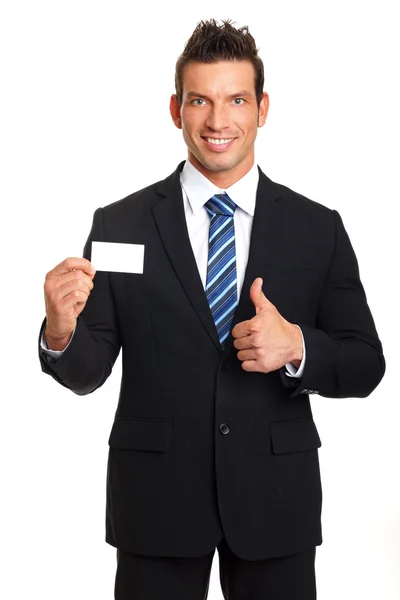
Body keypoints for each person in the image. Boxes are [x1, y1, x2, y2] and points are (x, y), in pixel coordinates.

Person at [39, 18, 385, 600]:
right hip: (156, 501)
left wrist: (297, 347)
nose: (218, 121)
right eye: (200, 100)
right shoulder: (119, 224)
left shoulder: (317, 229)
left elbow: (365, 363)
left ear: (262, 108)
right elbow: (87, 371)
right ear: (176, 109)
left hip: (277, 501)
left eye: (236, 100)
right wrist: (59, 331)